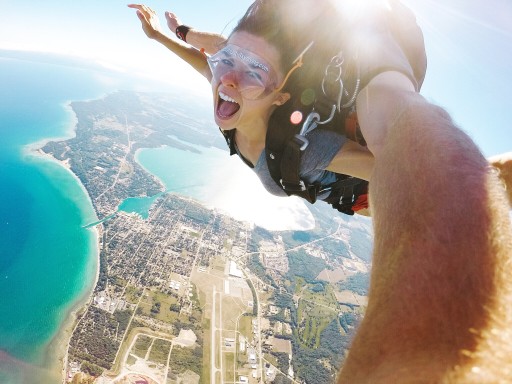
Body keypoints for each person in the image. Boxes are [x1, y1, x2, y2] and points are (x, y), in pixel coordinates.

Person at [129, 1, 512, 382]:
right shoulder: (234, 98)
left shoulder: (305, 146)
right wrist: (161, 35)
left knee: (483, 182)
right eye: (226, 61)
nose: (228, 80)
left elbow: (399, 166)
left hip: (366, 197)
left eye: (254, 73)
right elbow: (206, 62)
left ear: (280, 96)